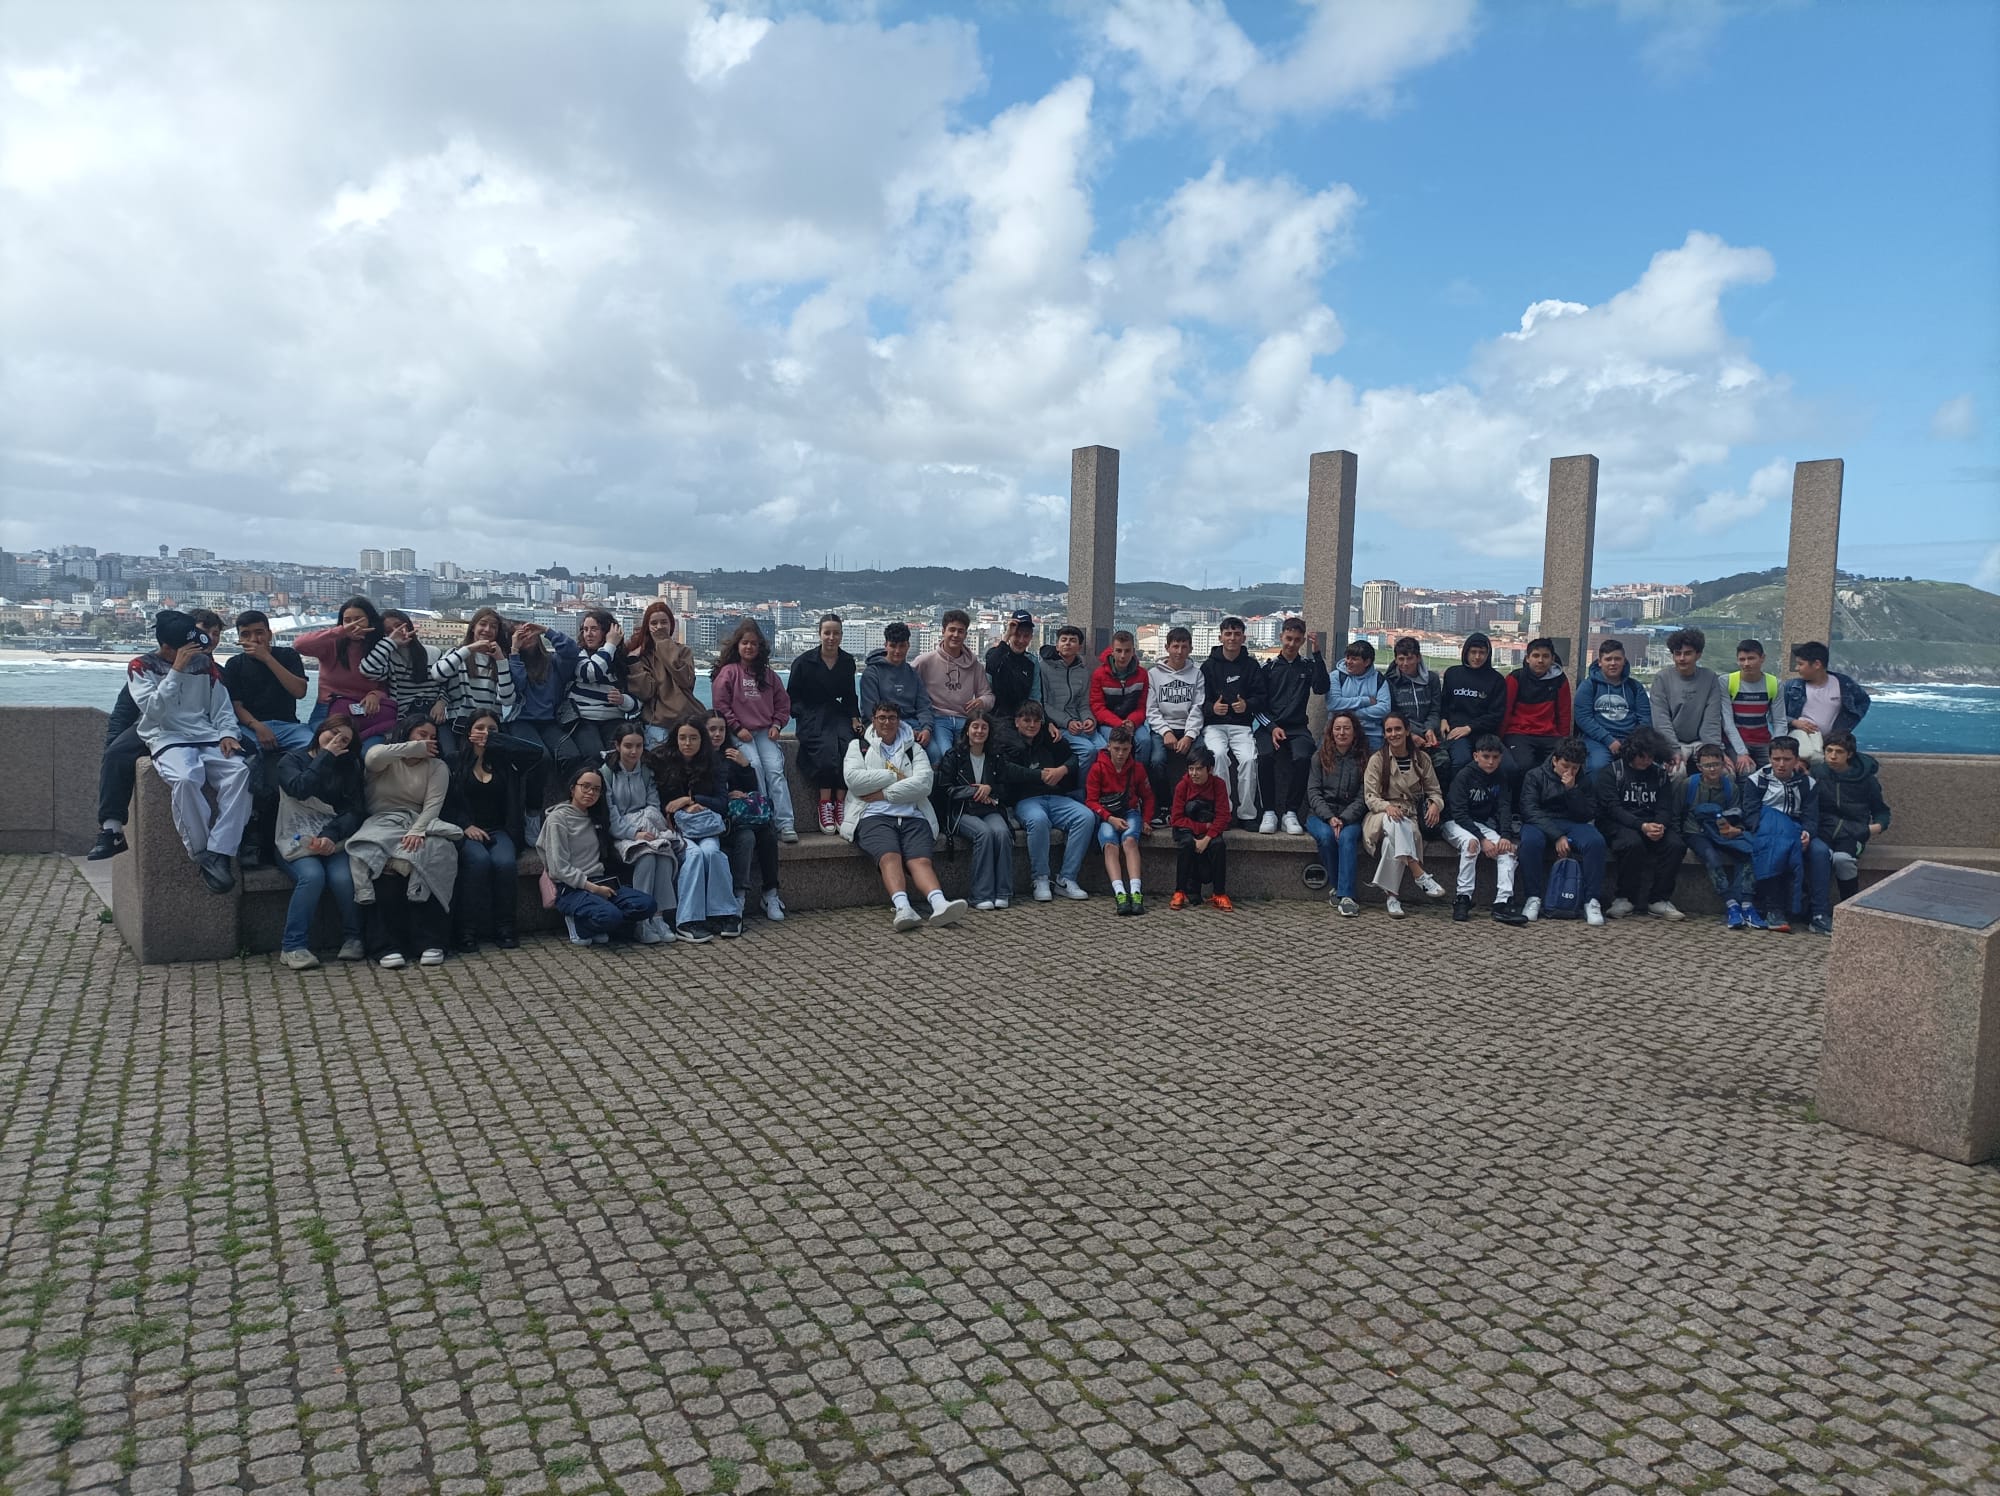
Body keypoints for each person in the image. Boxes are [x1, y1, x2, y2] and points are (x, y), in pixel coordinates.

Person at [127, 609, 252, 893]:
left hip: (206, 735)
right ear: (168, 647)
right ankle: (201, 852)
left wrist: (228, 734)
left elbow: (221, 708)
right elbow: (154, 711)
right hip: (166, 737)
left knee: (240, 772)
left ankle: (220, 849)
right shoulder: (140, 667)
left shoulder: (205, 666)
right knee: (185, 779)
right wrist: (176, 672)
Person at [840, 699, 969, 933]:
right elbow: (855, 781)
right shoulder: (858, 746)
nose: (887, 722)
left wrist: (882, 793)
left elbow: (924, 784)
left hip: (913, 815)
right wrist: (896, 776)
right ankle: (903, 908)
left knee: (920, 860)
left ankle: (939, 904)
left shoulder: (914, 748)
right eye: (882, 718)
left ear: (899, 721)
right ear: (873, 720)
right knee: (890, 856)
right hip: (872, 815)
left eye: (891, 718)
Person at [347, 715, 460, 968]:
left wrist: (417, 831)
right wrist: (412, 748)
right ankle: (385, 945)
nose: (428, 741)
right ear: (407, 735)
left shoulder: (437, 767)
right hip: (382, 821)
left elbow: (433, 806)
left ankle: (431, 941)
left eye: (432, 736)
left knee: (436, 854)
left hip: (418, 821)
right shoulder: (386, 759)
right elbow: (372, 758)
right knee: (381, 861)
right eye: (421, 734)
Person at [272, 714, 368, 969]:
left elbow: (354, 810)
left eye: (344, 739)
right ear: (321, 731)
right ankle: (293, 946)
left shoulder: (350, 767)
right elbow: (299, 788)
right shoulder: (291, 760)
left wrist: (330, 835)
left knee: (343, 876)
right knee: (312, 877)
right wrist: (326, 756)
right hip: (292, 836)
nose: (336, 740)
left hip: (332, 837)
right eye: (332, 733)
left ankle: (354, 938)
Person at [223, 610, 313, 868]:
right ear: (240, 638)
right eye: (246, 634)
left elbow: (299, 691)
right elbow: (236, 705)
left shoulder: (287, 656)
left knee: (313, 748)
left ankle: (306, 812)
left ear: (269, 634)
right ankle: (253, 830)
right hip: (251, 725)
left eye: (259, 632)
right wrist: (257, 726)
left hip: (288, 725)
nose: (254, 638)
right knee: (249, 760)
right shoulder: (235, 665)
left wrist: (267, 658)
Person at [443, 710, 539, 953]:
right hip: (465, 830)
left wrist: (498, 742)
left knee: (505, 864)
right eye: (479, 728)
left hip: (500, 830)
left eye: (492, 729)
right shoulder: (453, 761)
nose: (485, 733)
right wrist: (465, 826)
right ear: (468, 732)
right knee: (478, 862)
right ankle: (466, 930)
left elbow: (536, 753)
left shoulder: (507, 762)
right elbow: (446, 802)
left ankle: (505, 928)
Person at [538, 763, 660, 946]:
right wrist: (593, 889)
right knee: (610, 915)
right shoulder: (558, 819)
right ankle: (579, 924)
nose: (590, 793)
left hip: (601, 881)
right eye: (585, 786)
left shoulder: (596, 817)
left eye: (596, 789)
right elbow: (558, 868)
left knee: (647, 904)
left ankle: (602, 924)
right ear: (573, 789)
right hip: (571, 888)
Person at [648, 720, 745, 942]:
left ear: (702, 740)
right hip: (675, 828)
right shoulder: (663, 762)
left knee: (712, 852)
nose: (687, 743)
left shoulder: (714, 765)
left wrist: (692, 800)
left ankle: (725, 913)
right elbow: (663, 803)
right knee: (694, 855)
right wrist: (681, 806)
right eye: (683, 738)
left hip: (705, 826)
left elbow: (722, 803)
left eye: (693, 738)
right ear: (676, 739)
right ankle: (687, 920)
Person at [995, 701, 1096, 902]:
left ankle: (1066, 879)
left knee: (1085, 817)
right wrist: (1038, 775)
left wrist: (1062, 770)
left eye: (1036, 721)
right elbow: (1007, 770)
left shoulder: (1050, 738)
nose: (1031, 725)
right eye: (1026, 721)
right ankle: (1040, 877)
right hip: (1026, 800)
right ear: (1017, 722)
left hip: (1057, 797)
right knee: (1038, 820)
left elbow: (1073, 759)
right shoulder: (1006, 742)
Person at [711, 619, 798, 843]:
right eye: (745, 643)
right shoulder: (729, 673)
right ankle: (763, 815)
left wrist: (777, 725)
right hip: (740, 733)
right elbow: (720, 704)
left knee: (775, 771)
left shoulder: (769, 676)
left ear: (760, 647)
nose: (749, 647)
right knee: (755, 767)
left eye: (754, 644)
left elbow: (783, 704)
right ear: (737, 646)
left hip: (764, 732)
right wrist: (737, 728)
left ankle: (785, 823)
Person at [1741, 736, 1834, 935]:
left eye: (1787, 759)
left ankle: (1819, 914)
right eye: (1776, 759)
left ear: (1796, 760)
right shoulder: (1756, 780)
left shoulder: (1807, 783)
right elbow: (1750, 816)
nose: (1781, 764)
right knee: (1775, 848)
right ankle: (1774, 909)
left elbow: (1811, 816)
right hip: (1768, 831)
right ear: (1769, 758)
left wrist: (1807, 833)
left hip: (1798, 829)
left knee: (1820, 852)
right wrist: (1776, 831)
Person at [600, 723, 681, 943]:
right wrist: (634, 832)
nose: (633, 751)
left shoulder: (646, 772)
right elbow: (611, 818)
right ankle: (641, 920)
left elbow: (653, 806)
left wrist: (646, 829)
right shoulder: (606, 774)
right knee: (646, 856)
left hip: (648, 829)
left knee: (663, 854)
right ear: (617, 746)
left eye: (638, 746)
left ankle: (658, 916)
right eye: (628, 746)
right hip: (620, 837)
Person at [1593, 726, 1685, 920]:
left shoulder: (1659, 775)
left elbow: (1664, 807)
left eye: (1651, 757)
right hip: (1618, 824)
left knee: (1675, 845)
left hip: (1650, 823)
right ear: (1632, 753)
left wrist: (1659, 825)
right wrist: (1640, 826)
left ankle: (1659, 899)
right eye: (1642, 757)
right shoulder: (1612, 773)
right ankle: (1624, 897)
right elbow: (1613, 809)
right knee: (1632, 844)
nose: (1647, 761)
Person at [1361, 712, 1446, 918]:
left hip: (1410, 814)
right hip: (1380, 815)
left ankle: (1392, 898)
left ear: (1407, 730)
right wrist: (1386, 807)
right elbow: (1370, 797)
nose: (1393, 734)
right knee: (1394, 822)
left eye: (1397, 729)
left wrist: (1435, 805)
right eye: (1388, 730)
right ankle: (1419, 873)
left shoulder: (1421, 758)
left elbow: (1435, 790)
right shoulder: (1377, 760)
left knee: (1394, 839)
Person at [1517, 738, 1607, 926]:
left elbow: (1588, 813)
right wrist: (1557, 835)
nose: (1570, 772)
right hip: (1541, 821)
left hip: (1573, 822)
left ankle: (1591, 900)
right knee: (1530, 843)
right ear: (1555, 760)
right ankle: (1533, 897)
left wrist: (1572, 790)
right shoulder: (1535, 776)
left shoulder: (1584, 779)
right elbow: (1529, 810)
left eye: (1575, 768)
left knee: (1596, 842)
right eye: (1565, 766)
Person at [933, 706, 1015, 912]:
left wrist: (990, 789)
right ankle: (981, 894)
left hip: (990, 809)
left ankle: (1003, 892)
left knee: (1002, 833)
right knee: (984, 834)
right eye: (975, 727)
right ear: (967, 730)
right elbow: (945, 788)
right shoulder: (953, 755)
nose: (979, 731)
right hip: (962, 811)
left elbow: (1006, 788)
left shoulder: (996, 757)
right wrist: (972, 792)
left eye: (984, 728)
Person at [705, 712, 784, 923]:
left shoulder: (732, 754)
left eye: (721, 729)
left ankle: (771, 892)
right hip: (722, 821)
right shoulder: (701, 758)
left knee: (768, 834)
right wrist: (726, 795)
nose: (717, 734)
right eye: (712, 729)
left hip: (742, 814)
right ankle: (738, 895)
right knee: (747, 837)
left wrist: (746, 766)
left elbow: (751, 789)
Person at [1442, 734, 1529, 925]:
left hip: (1480, 824)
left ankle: (1503, 902)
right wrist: (1482, 839)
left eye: (1495, 757)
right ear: (1476, 756)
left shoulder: (1501, 777)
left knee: (1506, 851)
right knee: (1471, 844)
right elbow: (1459, 813)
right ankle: (1462, 898)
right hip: (1454, 823)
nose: (1491, 762)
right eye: (1486, 757)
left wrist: (1505, 835)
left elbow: (1504, 807)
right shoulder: (1464, 776)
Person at [790, 614, 862, 835]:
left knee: (848, 745)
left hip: (837, 712)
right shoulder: (803, 662)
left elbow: (850, 695)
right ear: (820, 634)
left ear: (841, 635)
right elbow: (792, 697)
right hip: (811, 714)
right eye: (827, 632)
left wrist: (854, 717)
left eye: (836, 633)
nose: (831, 637)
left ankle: (840, 803)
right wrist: (803, 714)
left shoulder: (847, 661)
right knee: (825, 748)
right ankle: (824, 804)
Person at [1258, 618, 1328, 836]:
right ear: (1281, 637)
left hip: (1298, 728)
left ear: (1302, 641)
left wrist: (1317, 654)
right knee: (1265, 756)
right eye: (1288, 639)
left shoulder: (1307, 666)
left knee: (1303, 757)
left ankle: (1291, 812)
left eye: (1297, 640)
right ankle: (1269, 811)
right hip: (1269, 725)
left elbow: (1322, 687)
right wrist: (1271, 727)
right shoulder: (1268, 668)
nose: (1292, 644)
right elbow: (1257, 706)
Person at [506, 619, 583, 815]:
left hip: (549, 721)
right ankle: (532, 811)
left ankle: (570, 806)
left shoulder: (553, 662)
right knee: (541, 758)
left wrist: (546, 630)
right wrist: (514, 651)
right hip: (521, 721)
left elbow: (572, 652)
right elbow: (518, 685)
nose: (527, 637)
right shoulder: (511, 662)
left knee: (572, 756)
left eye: (530, 632)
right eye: (520, 635)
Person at [296, 596, 396, 746]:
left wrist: (376, 695)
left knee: (368, 753)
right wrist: (340, 632)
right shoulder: (331, 644)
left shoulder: (380, 647)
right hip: (328, 711)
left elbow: (386, 683)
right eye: (347, 620)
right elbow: (299, 645)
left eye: (359, 619)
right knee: (330, 746)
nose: (353, 624)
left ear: (370, 620)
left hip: (366, 713)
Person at [1681, 742, 1758, 929]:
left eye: (1716, 764)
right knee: (1711, 857)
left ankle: (1746, 902)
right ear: (1699, 767)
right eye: (1707, 765)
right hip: (1695, 832)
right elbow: (1678, 812)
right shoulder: (1688, 785)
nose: (1712, 769)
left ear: (1724, 765)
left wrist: (1733, 828)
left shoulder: (1730, 787)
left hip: (1722, 831)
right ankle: (1730, 902)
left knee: (1748, 852)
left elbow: (1736, 813)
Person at [1200, 618, 1267, 829]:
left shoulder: (1251, 665)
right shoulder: (1208, 666)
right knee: (1217, 755)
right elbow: (1198, 701)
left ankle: (1247, 813)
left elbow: (1262, 697)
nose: (1232, 638)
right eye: (1228, 634)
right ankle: (1224, 812)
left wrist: (1247, 705)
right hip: (1214, 726)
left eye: (1237, 634)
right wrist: (1212, 708)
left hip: (1242, 726)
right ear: (1220, 637)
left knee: (1248, 759)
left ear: (1243, 637)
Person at [430, 608, 521, 760]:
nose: (487, 630)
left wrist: (501, 661)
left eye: (493, 626)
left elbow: (507, 699)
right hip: (460, 723)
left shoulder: (500, 660)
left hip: (489, 727)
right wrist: (469, 649)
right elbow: (438, 674)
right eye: (483, 624)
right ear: (473, 627)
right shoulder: (458, 654)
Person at [1304, 710, 1370, 918]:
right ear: (1331, 732)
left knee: (1347, 838)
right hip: (1320, 814)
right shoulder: (1319, 757)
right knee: (1326, 836)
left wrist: (1344, 818)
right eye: (1337, 728)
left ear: (1355, 732)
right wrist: (1329, 817)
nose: (1342, 733)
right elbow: (1313, 792)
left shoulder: (1364, 759)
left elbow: (1363, 796)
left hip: (1350, 816)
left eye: (1346, 728)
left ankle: (1346, 896)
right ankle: (1337, 884)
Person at [1814, 731, 1890, 908]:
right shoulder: (1817, 773)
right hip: (1823, 830)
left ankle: (1849, 906)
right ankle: (1815, 909)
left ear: (1849, 754)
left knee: (1841, 859)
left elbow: (1881, 811)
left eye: (1839, 751)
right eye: (1829, 750)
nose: (1833, 756)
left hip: (1853, 833)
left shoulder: (1866, 780)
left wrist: (1875, 828)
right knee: (1817, 856)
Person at [1085, 724, 1154, 916]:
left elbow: (1148, 797)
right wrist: (1109, 818)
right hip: (1106, 815)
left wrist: (1146, 820)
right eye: (1116, 749)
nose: (1121, 754)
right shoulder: (1097, 769)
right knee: (1110, 844)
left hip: (1130, 811)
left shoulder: (1137, 769)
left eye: (1125, 749)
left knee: (1130, 841)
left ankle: (1136, 891)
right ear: (1109, 747)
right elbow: (1090, 800)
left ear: (1131, 748)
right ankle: (1120, 892)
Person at [913, 609, 993, 765]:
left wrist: (982, 701)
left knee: (975, 755)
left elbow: (989, 696)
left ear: (966, 635)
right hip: (938, 718)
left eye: (960, 631)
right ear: (943, 631)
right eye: (952, 630)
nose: (956, 635)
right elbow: (907, 681)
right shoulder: (925, 661)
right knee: (947, 754)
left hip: (964, 719)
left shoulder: (975, 665)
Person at [1145, 625, 1204, 827]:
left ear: (1190, 649)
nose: (1179, 651)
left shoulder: (1197, 674)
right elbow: (1151, 709)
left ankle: (1193, 806)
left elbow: (1198, 707)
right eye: (1175, 646)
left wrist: (1189, 736)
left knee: (1201, 760)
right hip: (1163, 729)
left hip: (1188, 728)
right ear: (1167, 647)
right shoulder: (1153, 674)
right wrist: (1166, 732)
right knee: (1156, 761)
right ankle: (1164, 807)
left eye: (1184, 647)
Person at [1573, 638, 1652, 777]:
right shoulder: (1589, 686)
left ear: (1624, 661)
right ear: (1599, 662)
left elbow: (1645, 718)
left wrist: (1634, 742)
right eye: (1608, 659)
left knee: (1645, 766)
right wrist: (1609, 740)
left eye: (1617, 659)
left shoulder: (1635, 687)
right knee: (1598, 767)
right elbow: (1583, 718)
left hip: (1631, 739)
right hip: (1598, 740)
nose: (1613, 663)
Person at [626, 600, 701, 745]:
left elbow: (685, 680)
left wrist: (663, 643)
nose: (659, 627)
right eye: (654, 623)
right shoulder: (643, 655)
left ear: (671, 624)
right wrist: (633, 662)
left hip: (685, 718)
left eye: (664, 622)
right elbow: (646, 692)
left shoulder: (683, 651)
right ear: (647, 627)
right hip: (656, 721)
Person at [1649, 627, 1724, 768]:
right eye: (1678, 654)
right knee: (1676, 772)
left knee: (1724, 773)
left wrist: (1714, 751)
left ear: (1698, 655)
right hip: (1672, 742)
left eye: (1688, 653)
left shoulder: (1710, 678)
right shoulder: (1662, 678)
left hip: (1701, 742)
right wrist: (1673, 750)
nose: (1682, 658)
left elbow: (1711, 721)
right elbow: (1661, 721)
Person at [1500, 637, 1573, 782]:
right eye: (1536, 656)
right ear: (1527, 658)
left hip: (1549, 734)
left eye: (1545, 656)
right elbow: (1505, 711)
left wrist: (1563, 741)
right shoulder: (1515, 678)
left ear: (1552, 659)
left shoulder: (1559, 680)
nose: (1540, 660)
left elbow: (1564, 713)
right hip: (1519, 733)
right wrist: (1499, 739)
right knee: (1524, 765)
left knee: (1561, 764)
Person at [1168, 744, 1231, 911]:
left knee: (1218, 845)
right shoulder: (1182, 786)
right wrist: (1200, 828)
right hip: (1186, 828)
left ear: (1209, 769)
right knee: (1186, 843)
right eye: (1191, 769)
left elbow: (1223, 816)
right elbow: (1176, 818)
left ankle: (1219, 893)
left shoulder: (1219, 785)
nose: (1194, 774)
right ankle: (1179, 891)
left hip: (1210, 830)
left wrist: (1207, 838)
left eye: (1198, 769)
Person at [1783, 641, 1871, 761]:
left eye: (1800, 664)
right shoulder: (1791, 687)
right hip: (1800, 737)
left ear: (1817, 664)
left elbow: (1863, 701)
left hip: (1831, 742)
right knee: (1810, 756)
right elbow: (1774, 714)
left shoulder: (1844, 684)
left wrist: (1846, 726)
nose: (1797, 668)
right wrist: (1795, 722)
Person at [361, 608, 446, 732]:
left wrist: (441, 702)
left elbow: (446, 683)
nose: (397, 632)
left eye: (399, 626)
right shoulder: (388, 657)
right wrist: (390, 643)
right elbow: (368, 670)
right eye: (389, 631)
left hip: (434, 714)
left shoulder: (433, 652)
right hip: (404, 717)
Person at [566, 610, 632, 762]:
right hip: (584, 718)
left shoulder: (621, 662)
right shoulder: (579, 655)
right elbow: (592, 673)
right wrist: (610, 645)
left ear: (607, 631)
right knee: (594, 755)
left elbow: (637, 701)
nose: (588, 634)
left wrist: (623, 700)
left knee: (618, 755)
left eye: (594, 629)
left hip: (613, 719)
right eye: (585, 629)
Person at [1440, 632, 1508, 777]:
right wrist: (1443, 719)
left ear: (1488, 654)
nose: (1477, 657)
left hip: (1484, 732)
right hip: (1456, 731)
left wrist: (1470, 728)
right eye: (1473, 652)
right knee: (1461, 761)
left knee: (1509, 766)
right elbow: (1444, 702)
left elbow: (1496, 715)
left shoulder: (1496, 680)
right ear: (1466, 652)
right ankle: (1455, 797)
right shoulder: (1453, 674)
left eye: (1482, 653)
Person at [859, 623, 935, 751]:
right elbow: (870, 710)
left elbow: (924, 706)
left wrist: (926, 728)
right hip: (883, 725)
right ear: (886, 645)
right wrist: (906, 731)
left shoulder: (913, 674)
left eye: (902, 646)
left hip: (913, 724)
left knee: (935, 753)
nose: (897, 651)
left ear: (908, 646)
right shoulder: (872, 673)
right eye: (893, 646)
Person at [1040, 625, 1099, 790]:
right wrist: (1067, 722)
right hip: (1057, 725)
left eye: (1073, 641)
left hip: (1079, 724)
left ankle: (1099, 793)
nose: (1068, 644)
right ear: (1057, 645)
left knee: (1104, 749)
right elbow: (1044, 703)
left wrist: (1088, 719)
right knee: (1088, 751)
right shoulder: (1044, 667)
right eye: (1063, 640)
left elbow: (1083, 703)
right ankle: (1081, 792)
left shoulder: (1083, 671)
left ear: (1079, 647)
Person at [1089, 630, 1152, 782]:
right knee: (1111, 744)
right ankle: (1112, 783)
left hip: (1133, 721)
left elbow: (1142, 705)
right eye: (1118, 651)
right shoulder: (1099, 674)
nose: (1123, 656)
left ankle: (1138, 781)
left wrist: (1131, 722)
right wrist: (1119, 724)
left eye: (1127, 651)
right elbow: (1097, 706)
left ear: (1133, 651)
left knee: (1145, 742)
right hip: (1109, 722)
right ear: (1112, 650)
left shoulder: (1142, 674)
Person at [1385, 637, 1446, 783]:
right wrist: (1410, 734)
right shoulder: (1390, 681)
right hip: (1403, 734)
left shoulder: (1431, 679)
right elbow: (1392, 714)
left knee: (1443, 763)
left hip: (1430, 733)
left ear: (1418, 658)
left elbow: (1435, 709)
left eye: (1410, 658)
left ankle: (1436, 801)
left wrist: (1429, 729)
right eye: (1401, 659)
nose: (1405, 664)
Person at [1722, 639, 1783, 773]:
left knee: (1776, 770)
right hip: (1736, 741)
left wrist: (1778, 750)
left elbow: (1779, 720)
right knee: (1745, 770)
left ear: (1762, 658)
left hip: (1763, 740)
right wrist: (1742, 752)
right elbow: (1727, 722)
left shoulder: (1774, 683)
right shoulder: (1726, 682)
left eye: (1751, 658)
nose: (1746, 664)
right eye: (1742, 659)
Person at [983, 610, 1043, 745]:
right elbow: (991, 667)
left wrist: (1042, 721)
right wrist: (1006, 635)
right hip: (998, 717)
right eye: (1017, 635)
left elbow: (1035, 695)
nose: (1021, 640)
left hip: (1025, 717)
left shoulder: (1032, 662)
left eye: (1026, 636)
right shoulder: (996, 654)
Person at [1327, 639, 1391, 752]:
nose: (1348, 662)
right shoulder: (1336, 676)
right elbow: (1333, 704)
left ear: (1367, 662)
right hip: (1339, 734)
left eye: (1354, 659)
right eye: (1348, 657)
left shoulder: (1379, 680)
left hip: (1371, 734)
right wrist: (1365, 700)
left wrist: (1351, 714)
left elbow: (1384, 708)